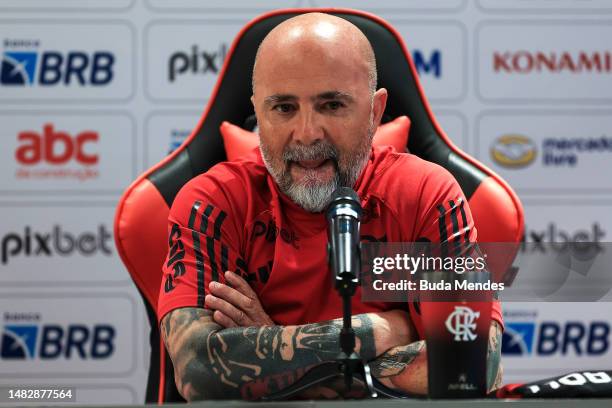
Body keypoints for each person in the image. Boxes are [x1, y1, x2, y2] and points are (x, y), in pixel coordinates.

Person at [158, 12, 503, 401]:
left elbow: (473, 365)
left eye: (332, 105)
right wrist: (386, 328)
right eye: (284, 108)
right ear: (259, 113)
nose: (307, 134)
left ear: (374, 113)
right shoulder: (213, 203)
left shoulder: (426, 194)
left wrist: (269, 343)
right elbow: (198, 373)